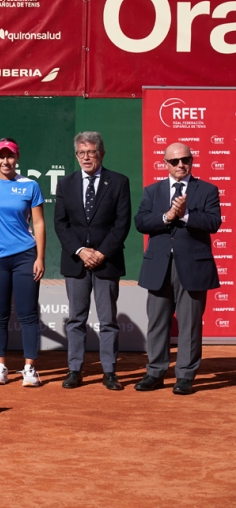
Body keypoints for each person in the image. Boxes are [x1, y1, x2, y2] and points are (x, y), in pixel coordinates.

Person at [134, 142, 221, 395]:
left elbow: (213, 221)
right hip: (159, 266)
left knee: (190, 324)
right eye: (175, 161)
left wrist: (184, 216)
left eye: (185, 159)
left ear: (192, 160)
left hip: (192, 267)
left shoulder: (206, 190)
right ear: (165, 163)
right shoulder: (152, 191)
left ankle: (185, 375)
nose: (181, 165)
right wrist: (167, 216)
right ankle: (155, 372)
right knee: (158, 322)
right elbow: (141, 222)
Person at [53, 131, 131, 391]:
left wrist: (101, 252)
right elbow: (61, 224)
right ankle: (75, 369)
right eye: (81, 153)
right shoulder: (65, 184)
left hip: (107, 262)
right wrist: (80, 251)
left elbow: (122, 223)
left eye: (91, 152)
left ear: (101, 153)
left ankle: (109, 371)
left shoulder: (119, 182)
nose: (86, 157)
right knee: (76, 319)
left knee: (108, 320)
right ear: (76, 156)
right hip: (76, 263)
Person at [0, 138, 46, 387]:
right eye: (1, 156)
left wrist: (40, 257)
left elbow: (38, 223)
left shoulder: (30, 186)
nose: (5, 161)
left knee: (28, 315)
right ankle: (1, 367)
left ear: (17, 158)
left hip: (25, 256)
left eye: (10, 156)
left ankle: (29, 369)